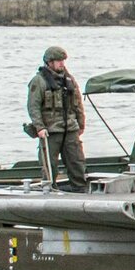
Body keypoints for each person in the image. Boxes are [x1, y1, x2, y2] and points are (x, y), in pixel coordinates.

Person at [25, 44, 88, 191]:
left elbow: (78, 103)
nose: (61, 63)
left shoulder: (69, 80)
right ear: (49, 62)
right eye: (58, 60)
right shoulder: (39, 81)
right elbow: (33, 106)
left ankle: (80, 189)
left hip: (70, 128)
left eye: (63, 61)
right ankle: (49, 189)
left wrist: (81, 124)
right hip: (50, 130)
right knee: (49, 165)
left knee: (76, 161)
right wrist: (39, 127)